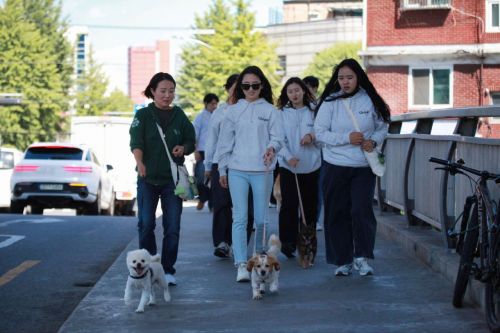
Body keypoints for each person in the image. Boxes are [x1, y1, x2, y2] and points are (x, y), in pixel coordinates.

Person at [314, 58, 390, 277]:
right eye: (341, 78)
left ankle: (362, 257)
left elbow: (382, 126)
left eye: (349, 77)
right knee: (337, 212)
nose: (345, 82)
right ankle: (342, 260)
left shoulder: (370, 100)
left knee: (360, 210)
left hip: (362, 166)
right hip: (334, 165)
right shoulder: (329, 102)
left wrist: (373, 141)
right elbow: (320, 133)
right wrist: (346, 137)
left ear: (359, 78)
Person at [217, 65, 283, 282]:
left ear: (261, 85)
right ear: (240, 88)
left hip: (263, 170)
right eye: (246, 86)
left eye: (255, 85)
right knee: (240, 217)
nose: (251, 89)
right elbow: (225, 142)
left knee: (262, 218)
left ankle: (259, 260)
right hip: (237, 170)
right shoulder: (233, 111)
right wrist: (222, 168)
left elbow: (278, 137)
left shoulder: (271, 111)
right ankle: (241, 264)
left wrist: (272, 148)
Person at [129, 72, 196, 286]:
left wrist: (183, 148)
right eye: (163, 91)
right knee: (146, 224)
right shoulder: (143, 115)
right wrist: (140, 163)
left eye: (171, 91)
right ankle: (149, 267)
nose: (167, 95)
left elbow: (191, 140)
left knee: (172, 226)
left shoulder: (179, 115)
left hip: (172, 180)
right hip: (147, 178)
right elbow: (136, 142)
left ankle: (167, 270)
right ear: (153, 92)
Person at [204, 74, 254, 258]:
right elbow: (211, 140)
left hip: (246, 163)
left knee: (246, 208)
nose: (237, 91)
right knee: (222, 204)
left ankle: (239, 243)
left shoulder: (250, 110)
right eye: (234, 87)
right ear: (227, 89)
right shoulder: (220, 112)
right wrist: (208, 165)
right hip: (221, 163)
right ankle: (222, 242)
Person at [276, 77, 321, 258]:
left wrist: (312, 136)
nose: (294, 94)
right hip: (289, 166)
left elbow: (322, 130)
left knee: (309, 206)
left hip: (311, 165)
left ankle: (307, 242)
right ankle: (287, 242)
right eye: (290, 91)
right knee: (289, 203)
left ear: (304, 91)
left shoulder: (314, 111)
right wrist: (288, 157)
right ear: (286, 94)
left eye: (297, 90)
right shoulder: (281, 113)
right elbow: (278, 138)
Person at [303, 75, 324, 232]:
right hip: (303, 151)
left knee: (318, 188)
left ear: (315, 89)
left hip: (320, 151)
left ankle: (314, 220)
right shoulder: (297, 107)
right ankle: (304, 219)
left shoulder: (321, 106)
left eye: (309, 88)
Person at [193, 93, 219, 211]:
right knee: (200, 178)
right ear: (206, 104)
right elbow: (195, 135)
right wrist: (195, 150)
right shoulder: (200, 117)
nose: (214, 106)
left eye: (216, 103)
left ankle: (212, 204)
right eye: (212, 103)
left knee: (214, 180)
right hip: (202, 150)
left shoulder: (219, 115)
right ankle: (203, 198)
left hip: (215, 151)